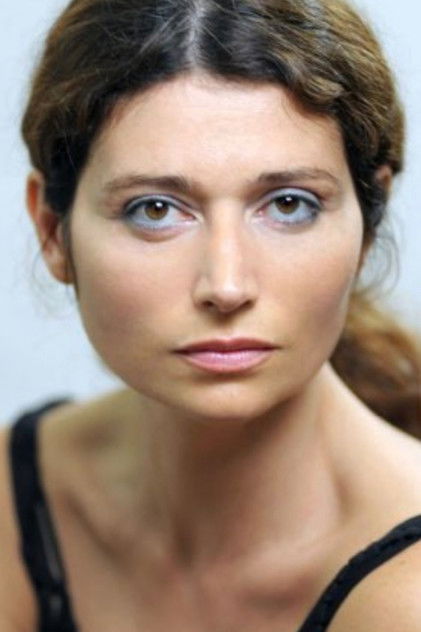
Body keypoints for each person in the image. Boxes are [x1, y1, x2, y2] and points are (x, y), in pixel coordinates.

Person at [1, 0, 420, 630]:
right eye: (155, 210)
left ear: (369, 223)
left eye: (289, 204)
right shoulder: (15, 498)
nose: (226, 286)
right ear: (51, 229)